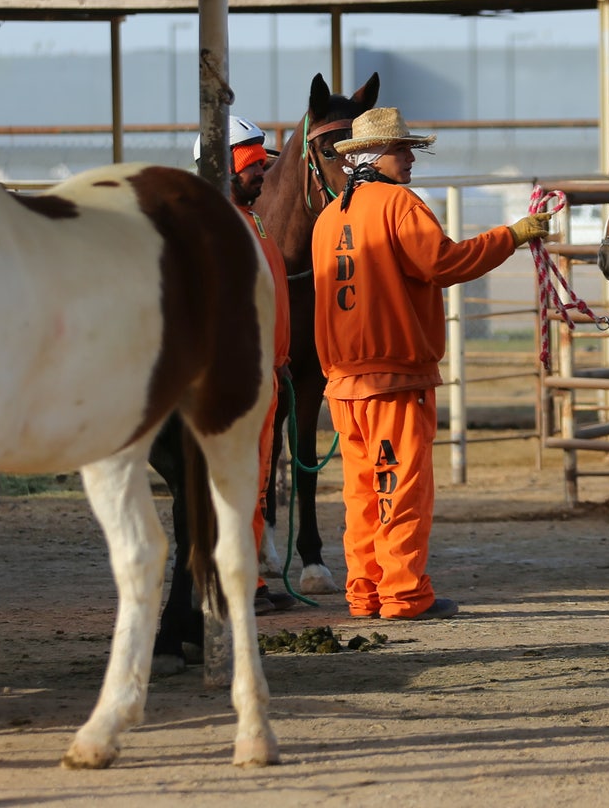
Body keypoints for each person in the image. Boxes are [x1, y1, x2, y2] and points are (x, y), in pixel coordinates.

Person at [311, 107, 553, 620]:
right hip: (395, 374)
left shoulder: (330, 217)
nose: (410, 158)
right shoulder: (400, 205)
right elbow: (443, 263)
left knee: (361, 493)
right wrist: (512, 236)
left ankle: (365, 593)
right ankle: (403, 596)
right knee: (399, 486)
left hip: (343, 380)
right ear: (375, 156)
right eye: (402, 149)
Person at [195, 114, 294, 610]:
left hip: (265, 378)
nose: (262, 174)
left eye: (262, 164)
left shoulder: (252, 221)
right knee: (233, 485)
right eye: (252, 165)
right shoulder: (214, 228)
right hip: (236, 381)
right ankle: (229, 584)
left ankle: (248, 581)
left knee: (254, 486)